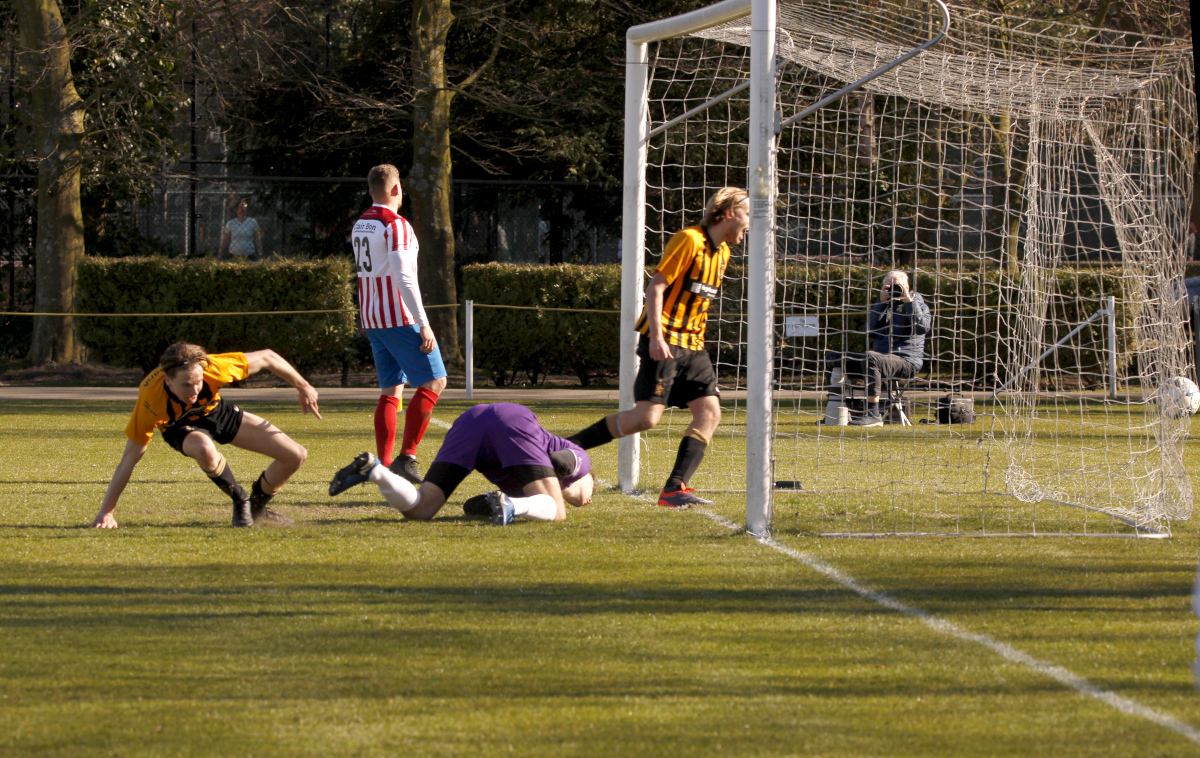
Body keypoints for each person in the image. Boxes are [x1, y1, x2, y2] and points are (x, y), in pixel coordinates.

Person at [566, 187, 750, 508]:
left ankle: (675, 488)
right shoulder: (689, 240)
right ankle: (564, 448)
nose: (750, 223)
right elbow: (656, 288)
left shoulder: (723, 253)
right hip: (665, 341)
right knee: (645, 419)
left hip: (694, 347)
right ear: (729, 212)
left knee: (710, 413)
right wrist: (656, 337)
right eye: (747, 214)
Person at [92, 341, 321, 529]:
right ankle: (240, 499)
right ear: (168, 381)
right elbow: (129, 459)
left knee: (295, 455)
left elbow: (268, 357)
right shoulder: (150, 399)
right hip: (178, 426)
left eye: (198, 382)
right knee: (204, 448)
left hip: (215, 412)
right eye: (186, 385)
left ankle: (256, 508)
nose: (194, 391)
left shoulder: (214, 367)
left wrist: (304, 387)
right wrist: (106, 512)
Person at [329, 402, 594, 525]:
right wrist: (574, 483)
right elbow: (572, 474)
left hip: (471, 419)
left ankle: (376, 471)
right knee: (557, 512)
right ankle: (512, 506)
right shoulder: (579, 463)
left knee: (421, 509)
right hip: (513, 420)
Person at [353, 163, 448, 486]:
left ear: (370, 190)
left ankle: (383, 464)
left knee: (392, 389)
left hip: (372, 317)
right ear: (397, 190)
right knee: (436, 380)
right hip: (398, 317)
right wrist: (424, 324)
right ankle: (406, 458)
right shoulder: (396, 225)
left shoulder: (361, 223)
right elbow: (404, 277)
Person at [825, 269, 931, 427]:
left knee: (871, 357)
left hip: (906, 361)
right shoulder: (884, 305)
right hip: (877, 360)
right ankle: (835, 413)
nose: (893, 290)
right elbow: (869, 331)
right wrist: (880, 303)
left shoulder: (918, 303)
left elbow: (922, 327)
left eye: (897, 286)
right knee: (833, 358)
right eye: (889, 287)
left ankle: (873, 414)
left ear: (907, 287)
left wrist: (908, 301)